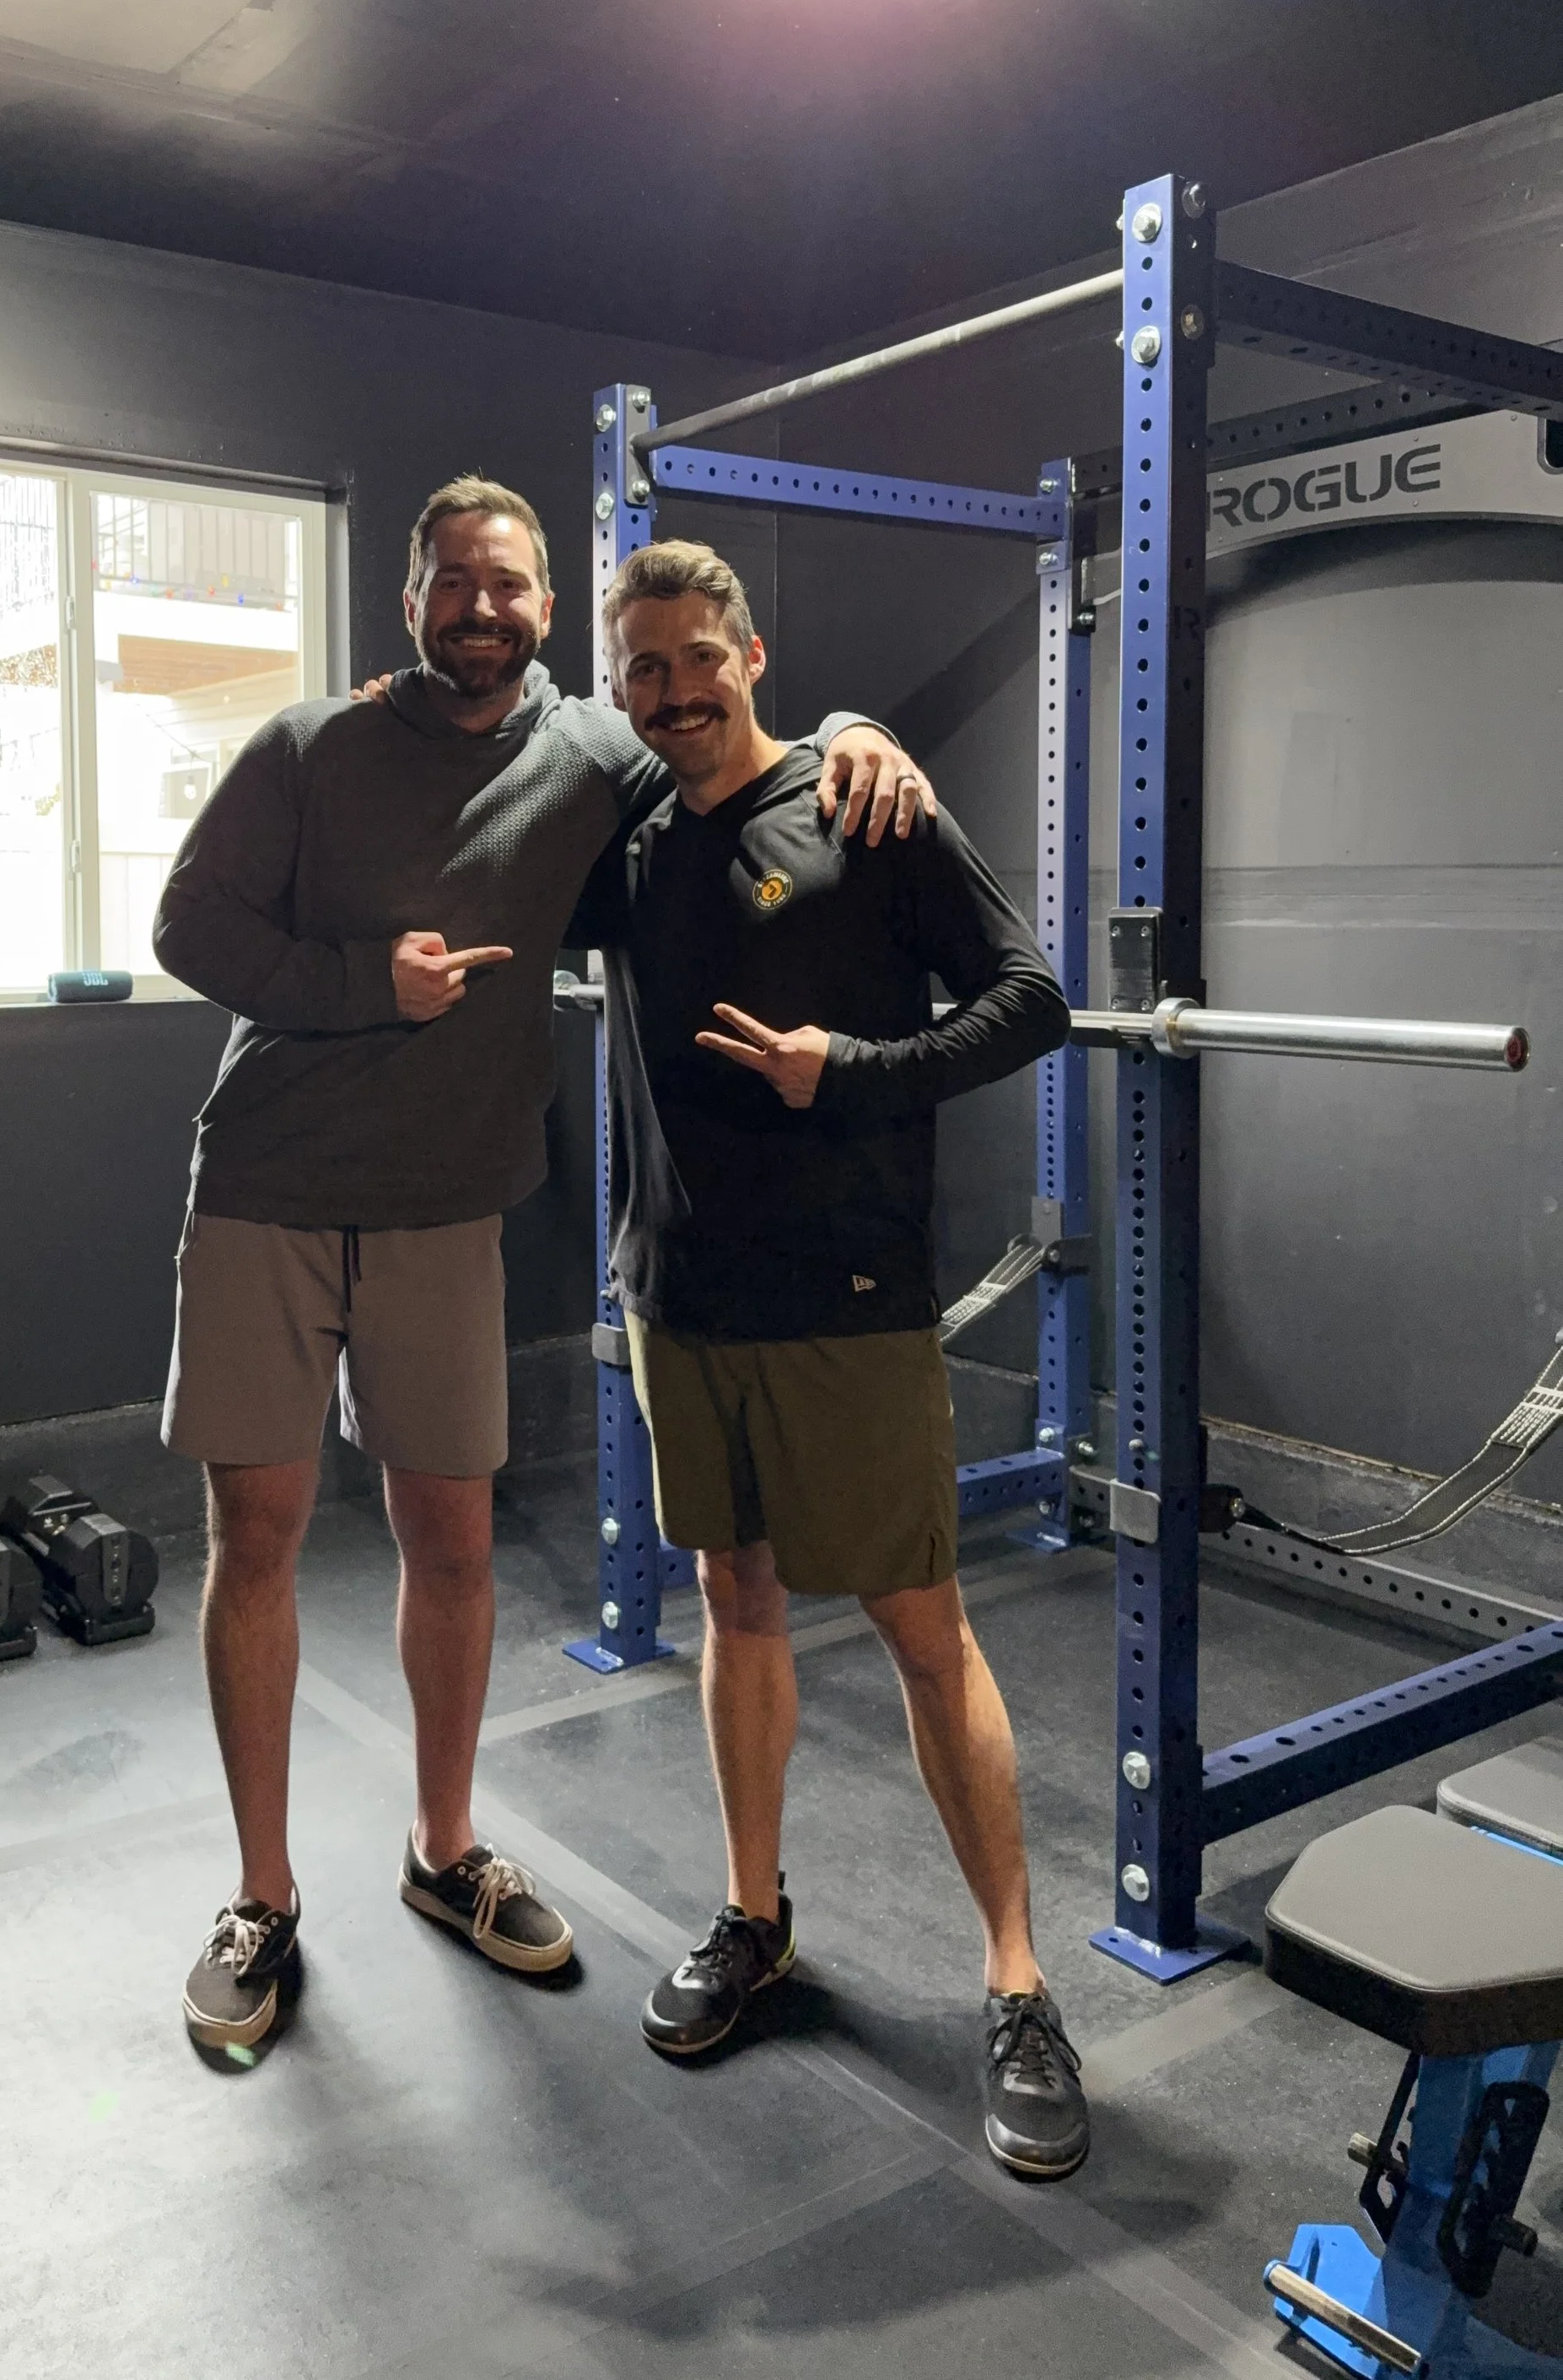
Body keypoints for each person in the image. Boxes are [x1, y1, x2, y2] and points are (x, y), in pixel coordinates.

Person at [151, 476, 935, 2053]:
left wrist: (864, 726)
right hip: (272, 1192)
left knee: (454, 1544)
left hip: (449, 1212)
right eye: (457, 581)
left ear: (547, 611)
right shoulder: (310, 749)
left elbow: (731, 727)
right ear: (414, 600)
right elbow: (187, 927)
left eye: (510, 585)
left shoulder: (591, 746)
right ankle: (262, 1897)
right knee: (262, 1542)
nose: (484, 608)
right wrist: (364, 984)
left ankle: (445, 1854)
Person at [576, 535, 1088, 2183]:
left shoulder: (864, 806)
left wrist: (848, 1069)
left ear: (749, 650)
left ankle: (1014, 1987)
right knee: (731, 1602)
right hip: (682, 1300)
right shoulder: (631, 839)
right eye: (637, 668)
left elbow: (1032, 999)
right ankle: (752, 1919)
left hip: (846, 1303)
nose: (666, 692)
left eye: (689, 657)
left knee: (921, 1625)